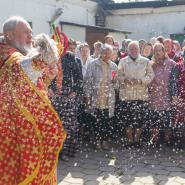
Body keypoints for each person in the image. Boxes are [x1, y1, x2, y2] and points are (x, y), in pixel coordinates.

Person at [0, 16, 66, 185]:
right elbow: (29, 67)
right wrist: (50, 49)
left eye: (31, 32)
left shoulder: (17, 55)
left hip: (19, 126)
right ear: (9, 35)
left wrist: (46, 79)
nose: (31, 37)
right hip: (11, 130)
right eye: (25, 33)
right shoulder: (10, 57)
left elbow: (28, 87)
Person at [117, 41, 154, 148]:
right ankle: (130, 140)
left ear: (139, 50)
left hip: (140, 95)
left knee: (140, 120)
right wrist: (125, 79)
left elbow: (151, 75)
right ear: (128, 50)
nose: (133, 51)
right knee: (127, 119)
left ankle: (137, 140)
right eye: (131, 49)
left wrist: (141, 81)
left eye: (135, 49)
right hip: (126, 96)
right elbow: (117, 75)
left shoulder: (146, 61)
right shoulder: (123, 61)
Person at [84, 44, 118, 150]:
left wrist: (114, 82)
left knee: (106, 121)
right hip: (97, 96)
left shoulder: (113, 66)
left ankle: (104, 141)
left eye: (109, 53)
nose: (107, 55)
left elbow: (116, 81)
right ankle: (97, 141)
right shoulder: (93, 64)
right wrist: (88, 96)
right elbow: (88, 82)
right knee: (96, 120)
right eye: (105, 52)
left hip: (108, 97)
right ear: (101, 53)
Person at [148, 43, 178, 147]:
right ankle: (154, 140)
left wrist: (174, 96)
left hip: (166, 96)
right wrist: (151, 88)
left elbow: (174, 82)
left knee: (167, 119)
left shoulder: (172, 64)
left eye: (160, 50)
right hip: (154, 96)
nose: (158, 52)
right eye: (155, 50)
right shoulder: (151, 64)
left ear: (164, 51)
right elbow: (149, 81)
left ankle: (167, 140)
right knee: (154, 119)